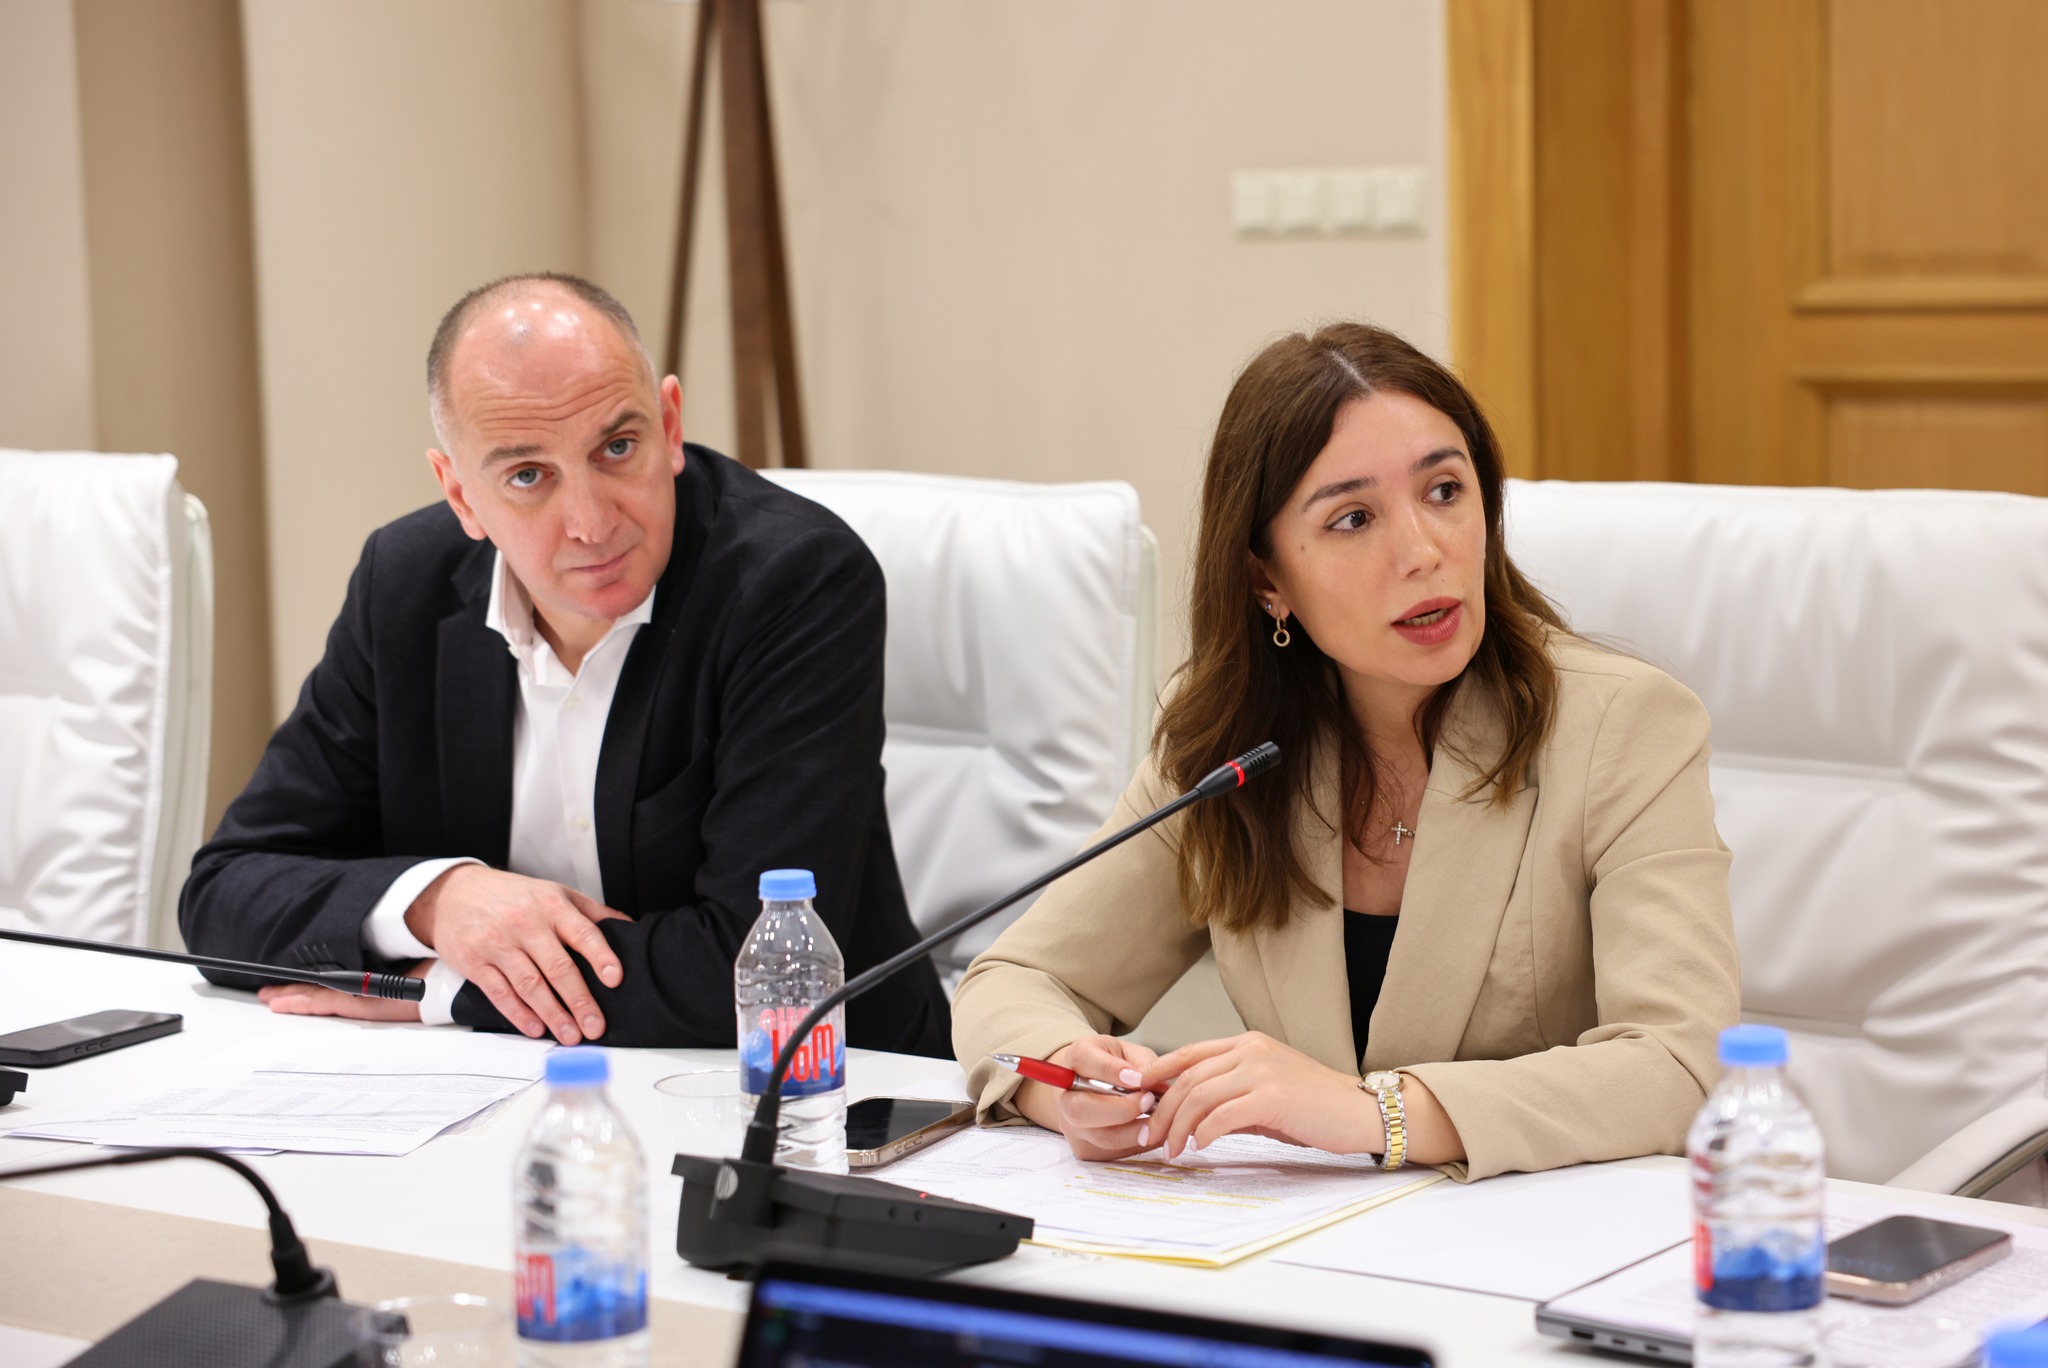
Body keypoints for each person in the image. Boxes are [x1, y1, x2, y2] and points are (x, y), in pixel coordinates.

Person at [952, 322, 1740, 1179]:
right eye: (1354, 518)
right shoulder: (1228, 745)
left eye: (1445, 490)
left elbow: (1679, 1065)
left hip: (1544, 1236)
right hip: (1310, 1240)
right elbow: (1017, 979)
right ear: (1267, 581)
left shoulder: (1624, 726)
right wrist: (1069, 1087)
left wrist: (1373, 1114)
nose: (1424, 552)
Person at [179, 272, 950, 1057]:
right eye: (527, 476)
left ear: (670, 426)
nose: (590, 523)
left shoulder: (795, 581)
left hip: (825, 1086)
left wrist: (443, 989)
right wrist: (440, 902)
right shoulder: (405, 586)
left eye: (617, 448)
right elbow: (222, 894)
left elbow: (756, 965)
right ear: (460, 494)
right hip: (498, 1084)